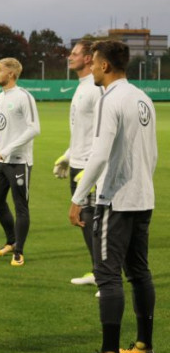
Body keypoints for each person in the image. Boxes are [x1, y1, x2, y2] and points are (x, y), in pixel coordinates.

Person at [66, 40, 157, 353]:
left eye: (94, 64)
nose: (90, 69)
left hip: (115, 200)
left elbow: (100, 153)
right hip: (143, 198)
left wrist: (79, 198)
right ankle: (144, 347)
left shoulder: (110, 99)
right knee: (139, 273)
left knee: (108, 277)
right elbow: (153, 153)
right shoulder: (143, 98)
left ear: (104, 66)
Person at [0, 57, 40, 267]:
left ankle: (19, 252)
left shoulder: (24, 97)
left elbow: (34, 128)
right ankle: (10, 242)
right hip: (0, 162)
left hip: (19, 162)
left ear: (11, 74)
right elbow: (0, 130)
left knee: (21, 206)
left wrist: (9, 149)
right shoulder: (0, 97)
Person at [53, 40, 103, 287]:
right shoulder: (82, 86)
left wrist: (93, 169)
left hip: (89, 168)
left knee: (95, 223)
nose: (69, 57)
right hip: (78, 163)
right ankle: (98, 272)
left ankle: (106, 279)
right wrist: (68, 154)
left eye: (74, 54)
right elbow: (81, 131)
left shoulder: (95, 88)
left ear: (87, 58)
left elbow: (102, 133)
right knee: (85, 222)